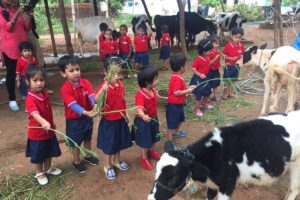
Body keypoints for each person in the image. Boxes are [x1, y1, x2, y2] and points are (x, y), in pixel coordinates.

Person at [59, 55, 99, 174]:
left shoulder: (85, 82)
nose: (76, 73)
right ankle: (76, 161)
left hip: (87, 117)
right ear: (63, 74)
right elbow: (73, 105)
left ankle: (87, 155)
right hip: (74, 120)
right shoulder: (65, 88)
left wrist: (95, 105)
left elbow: (91, 95)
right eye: (71, 71)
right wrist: (86, 112)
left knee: (87, 138)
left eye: (77, 69)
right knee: (75, 142)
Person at [25, 65, 62, 185]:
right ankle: (39, 172)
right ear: (27, 81)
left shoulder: (44, 93)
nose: (39, 83)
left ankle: (48, 168)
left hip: (48, 130)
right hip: (38, 134)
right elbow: (34, 113)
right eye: (35, 80)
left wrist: (51, 123)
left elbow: (47, 111)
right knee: (39, 154)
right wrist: (43, 122)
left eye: (41, 80)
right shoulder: (30, 98)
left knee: (50, 150)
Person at [95, 64, 132, 180]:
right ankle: (108, 165)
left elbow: (123, 101)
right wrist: (102, 90)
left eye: (119, 73)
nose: (117, 76)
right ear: (106, 73)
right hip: (109, 122)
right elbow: (96, 100)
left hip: (120, 120)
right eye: (113, 73)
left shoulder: (120, 85)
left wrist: (127, 115)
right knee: (109, 145)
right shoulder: (105, 87)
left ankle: (117, 161)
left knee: (119, 142)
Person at [0, 0, 32, 111]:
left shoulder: (14, 11)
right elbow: (9, 27)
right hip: (10, 49)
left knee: (27, 72)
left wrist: (28, 17)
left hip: (23, 48)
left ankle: (28, 96)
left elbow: (27, 28)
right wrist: (18, 12)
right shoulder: (1, 12)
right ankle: (12, 100)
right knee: (12, 73)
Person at [133, 67, 160, 170]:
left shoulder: (153, 90)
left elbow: (155, 99)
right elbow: (139, 108)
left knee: (154, 136)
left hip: (153, 118)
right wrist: (143, 116)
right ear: (147, 82)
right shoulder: (140, 95)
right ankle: (144, 157)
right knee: (145, 140)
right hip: (143, 122)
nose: (157, 81)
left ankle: (151, 151)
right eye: (155, 79)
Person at [167, 55, 195, 140]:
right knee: (172, 123)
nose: (186, 67)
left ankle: (176, 132)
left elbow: (179, 90)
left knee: (180, 118)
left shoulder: (176, 76)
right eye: (185, 65)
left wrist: (188, 89)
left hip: (179, 104)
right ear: (181, 68)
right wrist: (188, 91)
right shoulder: (177, 79)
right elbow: (176, 93)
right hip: (173, 105)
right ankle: (170, 140)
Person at [189, 39, 214, 117]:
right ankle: (196, 109)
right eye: (209, 51)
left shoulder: (207, 57)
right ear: (204, 51)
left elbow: (208, 65)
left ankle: (203, 104)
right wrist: (199, 74)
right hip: (198, 79)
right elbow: (193, 68)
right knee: (199, 93)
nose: (211, 52)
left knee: (208, 91)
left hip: (205, 78)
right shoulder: (198, 59)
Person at [222, 27, 245, 100]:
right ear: (232, 37)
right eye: (236, 37)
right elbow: (223, 55)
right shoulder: (228, 46)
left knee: (233, 80)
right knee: (227, 80)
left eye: (240, 38)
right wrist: (231, 59)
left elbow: (242, 55)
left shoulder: (242, 46)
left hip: (237, 66)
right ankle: (225, 93)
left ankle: (230, 93)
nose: (237, 39)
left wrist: (241, 59)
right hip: (229, 66)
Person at [208, 35, 222, 101]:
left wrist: (220, 64)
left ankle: (215, 95)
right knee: (209, 84)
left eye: (218, 43)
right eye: (215, 43)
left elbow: (218, 61)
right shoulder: (209, 52)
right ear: (211, 44)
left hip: (216, 70)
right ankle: (207, 96)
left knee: (216, 83)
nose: (217, 45)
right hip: (210, 71)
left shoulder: (218, 51)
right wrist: (215, 58)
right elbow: (209, 63)